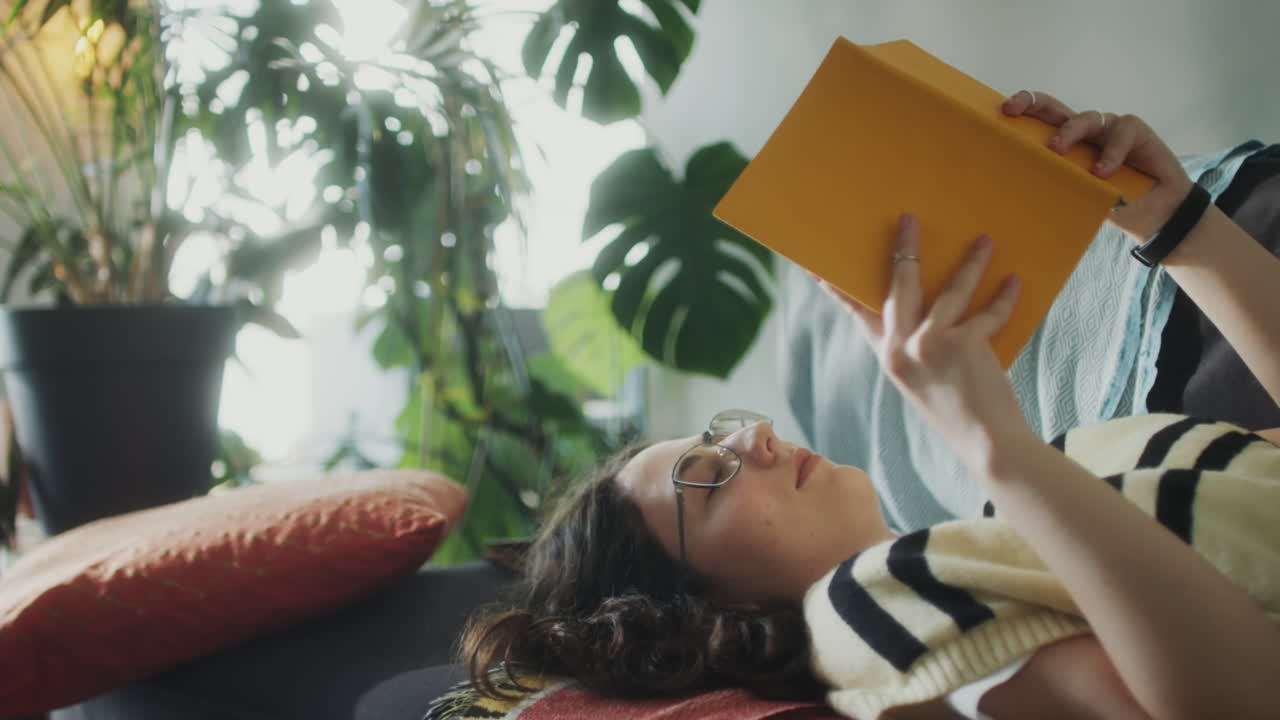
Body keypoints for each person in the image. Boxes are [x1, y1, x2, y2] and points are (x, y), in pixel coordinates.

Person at [460, 91, 1280, 720]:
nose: (758, 438)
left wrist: (1176, 224)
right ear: (711, 607)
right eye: (707, 475)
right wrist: (993, 441)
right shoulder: (860, 608)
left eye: (722, 434)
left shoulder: (1013, 529)